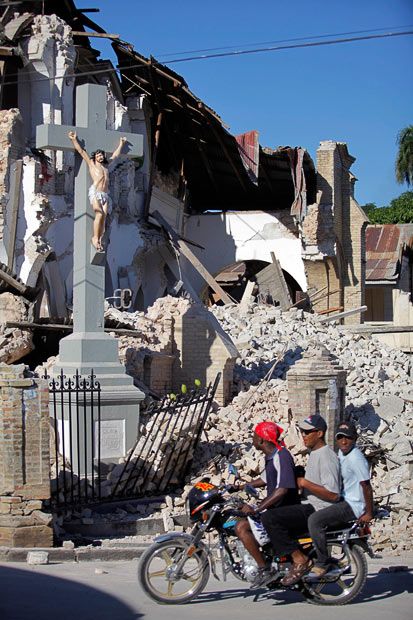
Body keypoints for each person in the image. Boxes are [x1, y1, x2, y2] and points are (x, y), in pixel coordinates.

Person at [260, 414, 341, 587]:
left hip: (318, 508)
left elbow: (334, 495)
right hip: (308, 504)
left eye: (307, 432)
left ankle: (299, 559)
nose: (303, 435)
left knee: (269, 518)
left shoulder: (327, 456)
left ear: (319, 433)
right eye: (301, 431)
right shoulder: (315, 453)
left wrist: (304, 483)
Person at [233, 421, 299, 589]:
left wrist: (258, 508)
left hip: (284, 511)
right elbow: (265, 479)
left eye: (254, 436)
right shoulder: (271, 456)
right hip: (276, 509)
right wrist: (240, 486)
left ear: (262, 440)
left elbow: (282, 489)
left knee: (242, 527)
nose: (252, 439)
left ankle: (264, 568)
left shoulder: (282, 456)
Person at [307, 420, 373, 577]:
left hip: (352, 505)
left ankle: (323, 563)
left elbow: (366, 486)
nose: (344, 441)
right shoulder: (342, 454)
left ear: (355, 438)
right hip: (344, 500)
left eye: (348, 438)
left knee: (315, 520)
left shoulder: (355, 458)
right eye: (340, 437)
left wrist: (369, 513)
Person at [68, 131, 127, 251]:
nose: (100, 157)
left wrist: (121, 144)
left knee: (104, 219)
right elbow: (81, 152)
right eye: (98, 155)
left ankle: (99, 239)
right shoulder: (92, 164)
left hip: (105, 195)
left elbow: (115, 155)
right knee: (99, 214)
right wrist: (73, 140)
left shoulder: (106, 166)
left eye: (101, 155)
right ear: (95, 157)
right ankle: (95, 238)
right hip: (96, 192)